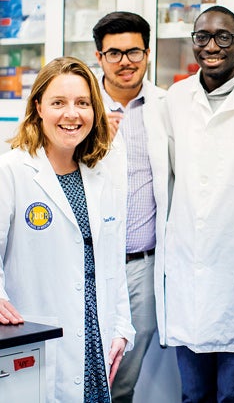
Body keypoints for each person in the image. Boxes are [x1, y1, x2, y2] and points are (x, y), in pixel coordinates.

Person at [0, 56, 135, 402]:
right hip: (34, 338)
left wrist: (121, 327)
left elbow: (111, 261)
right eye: (58, 102)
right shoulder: (12, 169)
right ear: (38, 108)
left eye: (82, 103)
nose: (71, 114)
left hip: (95, 338)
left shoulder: (100, 173)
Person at [164, 5, 234, 402]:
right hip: (189, 272)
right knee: (194, 396)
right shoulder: (176, 97)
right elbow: (171, 174)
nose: (211, 46)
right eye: (202, 37)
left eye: (223, 37)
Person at [93, 11, 169, 403]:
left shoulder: (166, 106)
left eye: (134, 51)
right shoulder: (80, 108)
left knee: (123, 377)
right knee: (83, 370)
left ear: (148, 53)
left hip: (142, 267)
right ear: (99, 56)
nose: (125, 61)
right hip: (88, 263)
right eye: (114, 52)